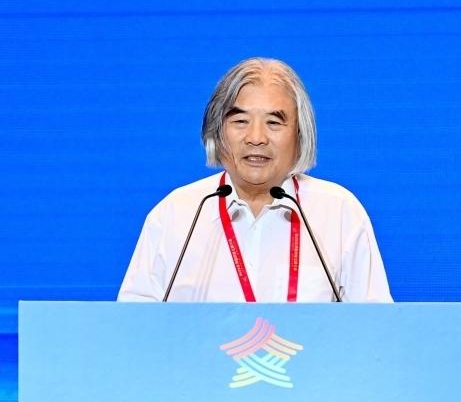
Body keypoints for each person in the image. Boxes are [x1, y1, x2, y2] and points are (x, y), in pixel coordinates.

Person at [118, 57, 392, 303]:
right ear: (216, 132)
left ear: (300, 135)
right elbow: (133, 327)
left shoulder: (339, 212)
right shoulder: (176, 214)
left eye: (274, 123)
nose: (256, 138)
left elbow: (375, 328)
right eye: (240, 121)